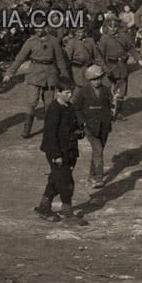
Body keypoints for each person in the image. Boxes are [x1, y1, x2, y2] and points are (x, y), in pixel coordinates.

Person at [35, 79, 86, 225]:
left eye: (71, 92)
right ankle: (68, 215)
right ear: (58, 92)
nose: (70, 95)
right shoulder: (54, 109)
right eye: (66, 92)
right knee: (66, 182)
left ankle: (43, 207)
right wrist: (56, 155)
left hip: (69, 150)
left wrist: (78, 132)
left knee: (56, 179)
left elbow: (71, 127)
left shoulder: (69, 107)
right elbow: (50, 135)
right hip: (57, 151)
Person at [2, 25, 69, 138]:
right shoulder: (30, 41)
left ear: (45, 28)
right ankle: (27, 130)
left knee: (49, 104)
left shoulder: (53, 41)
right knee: (32, 102)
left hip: (50, 74)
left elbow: (60, 60)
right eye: (36, 28)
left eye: (40, 28)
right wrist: (9, 73)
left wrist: (64, 77)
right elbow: (20, 57)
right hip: (34, 74)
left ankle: (50, 130)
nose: (38, 30)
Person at [72, 64, 113, 189]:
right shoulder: (83, 92)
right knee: (98, 150)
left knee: (97, 151)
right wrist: (83, 122)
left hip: (104, 126)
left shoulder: (106, 90)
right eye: (94, 79)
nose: (97, 81)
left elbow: (109, 106)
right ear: (89, 80)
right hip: (90, 127)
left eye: (99, 78)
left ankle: (91, 175)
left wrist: (111, 114)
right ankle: (98, 178)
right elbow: (76, 108)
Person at [96, 19, 135, 121]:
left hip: (121, 67)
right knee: (107, 91)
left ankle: (118, 113)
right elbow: (100, 56)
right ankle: (108, 113)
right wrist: (105, 69)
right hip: (109, 67)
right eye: (110, 27)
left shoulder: (123, 36)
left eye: (115, 27)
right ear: (107, 27)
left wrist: (139, 59)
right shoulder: (104, 39)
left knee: (121, 92)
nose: (113, 29)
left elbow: (131, 48)